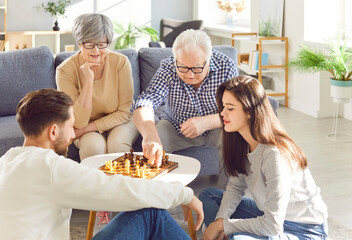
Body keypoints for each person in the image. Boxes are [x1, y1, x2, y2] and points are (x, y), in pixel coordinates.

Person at [0, 88, 203, 240]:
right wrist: (185, 195)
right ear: (53, 132)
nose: (72, 135)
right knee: (150, 213)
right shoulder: (50, 168)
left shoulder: (5, 161)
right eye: (71, 127)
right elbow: (122, 190)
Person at [199, 76, 328, 240]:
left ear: (250, 112)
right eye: (223, 106)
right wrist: (220, 221)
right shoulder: (242, 142)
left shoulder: (274, 154)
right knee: (209, 196)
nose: (222, 113)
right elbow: (235, 188)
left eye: (230, 108)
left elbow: (272, 226)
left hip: (305, 231)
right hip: (271, 217)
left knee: (239, 238)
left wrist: (224, 226)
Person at [132, 29, 238, 188]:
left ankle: (227, 197)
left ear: (209, 59)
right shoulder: (168, 67)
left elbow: (238, 110)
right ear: (175, 59)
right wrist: (150, 135)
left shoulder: (225, 66)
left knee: (233, 137)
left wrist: (206, 122)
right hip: (174, 126)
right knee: (157, 139)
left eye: (196, 69)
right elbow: (145, 102)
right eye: (182, 67)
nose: (189, 75)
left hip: (216, 126)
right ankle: (161, 202)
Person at [56, 13, 139, 161]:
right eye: (89, 44)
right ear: (79, 43)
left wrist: (87, 129)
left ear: (109, 42)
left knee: (117, 146)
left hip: (121, 120)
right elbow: (79, 122)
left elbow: (125, 112)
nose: (96, 51)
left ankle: (123, 185)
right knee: (93, 147)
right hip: (83, 123)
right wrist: (89, 81)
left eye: (101, 44)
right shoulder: (65, 70)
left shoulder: (121, 62)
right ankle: (94, 185)